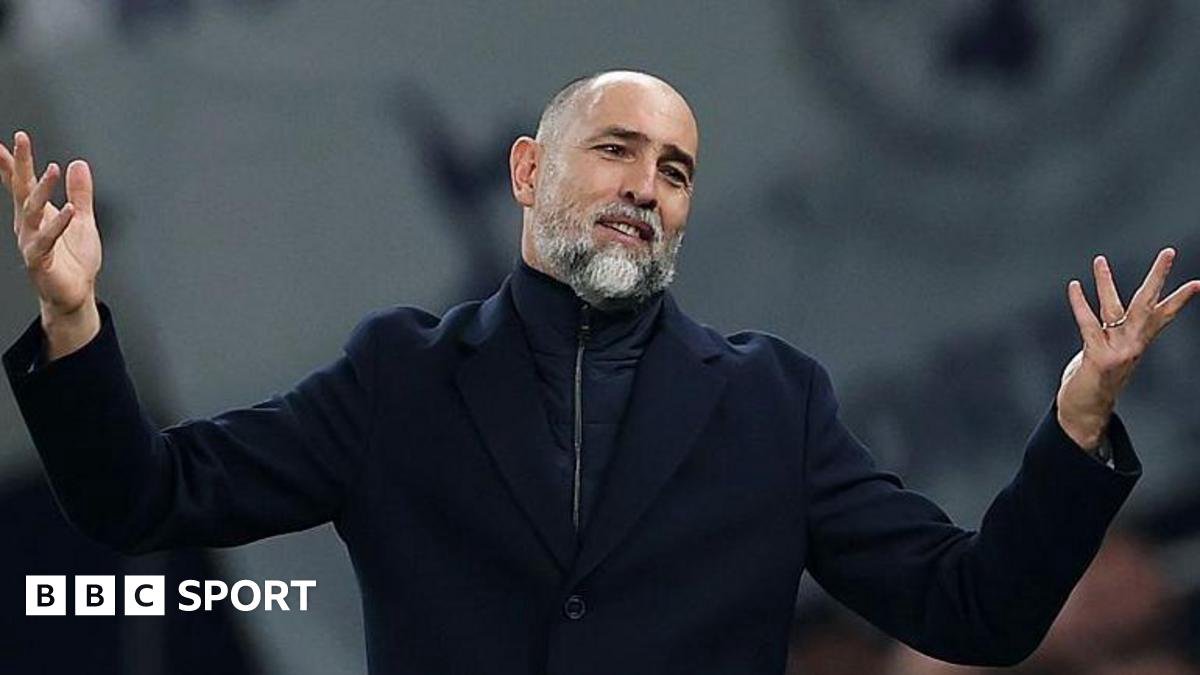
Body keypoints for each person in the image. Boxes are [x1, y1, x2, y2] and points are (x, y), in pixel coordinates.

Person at [3, 70, 1198, 675]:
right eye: (616, 150)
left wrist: (1078, 425)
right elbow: (140, 497)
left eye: (673, 169)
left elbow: (974, 611)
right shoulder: (396, 381)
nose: (643, 185)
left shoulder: (770, 403)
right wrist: (72, 323)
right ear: (526, 171)